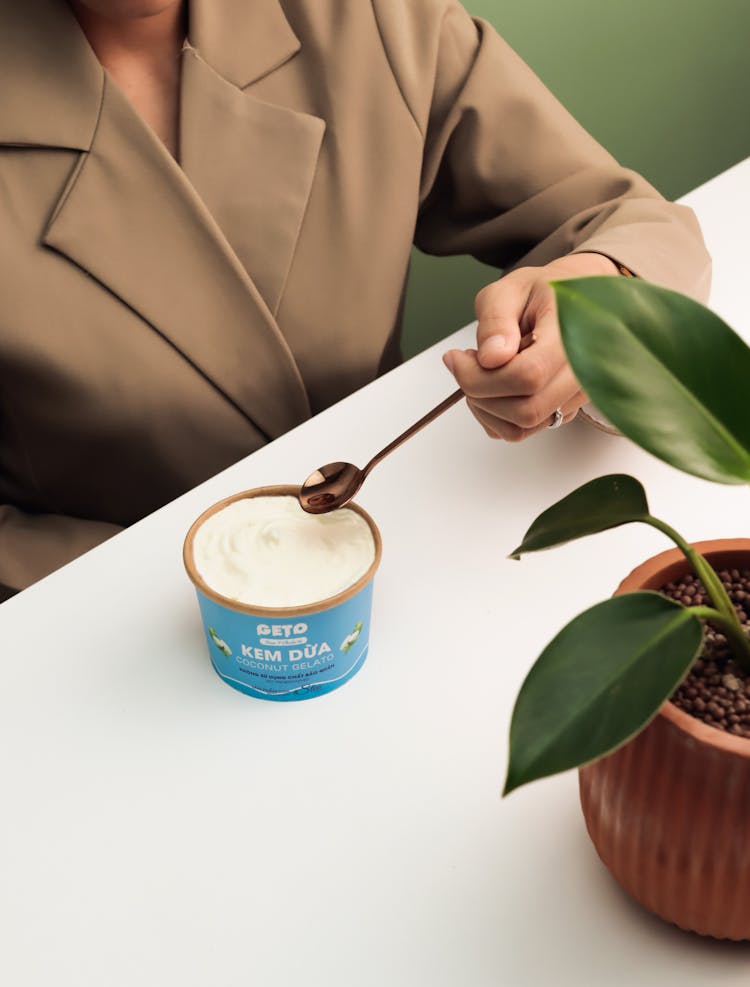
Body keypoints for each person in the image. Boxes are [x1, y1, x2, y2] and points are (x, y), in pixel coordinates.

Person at [0, 0, 710, 601]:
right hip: (101, 651)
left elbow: (629, 223)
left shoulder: (370, 17)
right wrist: (148, 588)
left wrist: (590, 310)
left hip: (409, 584)